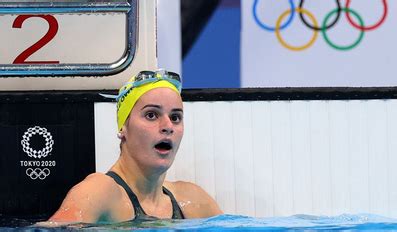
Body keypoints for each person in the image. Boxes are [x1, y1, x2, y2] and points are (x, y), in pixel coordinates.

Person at [48, 69, 222, 223]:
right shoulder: (100, 192)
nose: (168, 126)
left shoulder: (193, 201)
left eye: (175, 117)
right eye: (151, 115)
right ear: (123, 127)